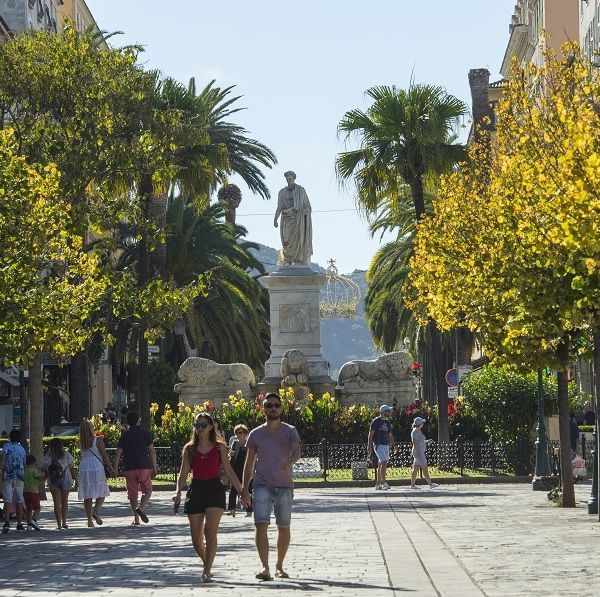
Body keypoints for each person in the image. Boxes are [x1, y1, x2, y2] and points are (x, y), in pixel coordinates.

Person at [172, 412, 242, 584]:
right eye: (197, 425)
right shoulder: (189, 448)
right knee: (196, 540)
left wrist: (242, 490)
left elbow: (228, 470)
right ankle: (207, 563)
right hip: (195, 489)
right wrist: (178, 492)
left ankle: (207, 571)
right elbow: (183, 472)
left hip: (214, 489)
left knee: (209, 531)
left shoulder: (220, 447)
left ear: (211, 427)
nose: (200, 428)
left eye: (203, 425)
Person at [241, 392, 302, 581]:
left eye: (276, 405)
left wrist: (290, 462)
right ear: (263, 409)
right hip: (261, 484)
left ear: (281, 409)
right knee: (261, 525)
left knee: (283, 526)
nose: (273, 408)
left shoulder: (290, 430)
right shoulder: (255, 433)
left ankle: (279, 566)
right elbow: (249, 463)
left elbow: (297, 451)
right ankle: (265, 567)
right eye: (269, 405)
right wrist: (244, 489)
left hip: (284, 485)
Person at [113, 411, 157, 526]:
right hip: (144, 466)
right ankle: (141, 508)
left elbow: (118, 453)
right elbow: (152, 451)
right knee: (147, 490)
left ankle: (136, 519)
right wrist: (155, 466)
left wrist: (115, 468)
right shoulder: (146, 434)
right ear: (138, 420)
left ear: (128, 422)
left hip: (129, 467)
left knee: (133, 494)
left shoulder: (125, 435)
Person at [78, 420, 116, 527]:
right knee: (102, 490)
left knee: (87, 494)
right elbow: (104, 455)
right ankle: (96, 511)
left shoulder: (80, 442)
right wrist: (111, 468)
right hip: (96, 466)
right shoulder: (97, 440)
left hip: (85, 466)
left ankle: (89, 520)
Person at [273, 171, 313, 266]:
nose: (288, 180)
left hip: (298, 220)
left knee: (298, 239)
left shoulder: (301, 190)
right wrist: (275, 219)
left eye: (290, 179)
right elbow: (279, 207)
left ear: (294, 179)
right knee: (286, 240)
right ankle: (288, 260)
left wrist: (305, 210)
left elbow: (307, 205)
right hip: (287, 218)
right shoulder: (282, 192)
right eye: (287, 179)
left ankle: (297, 260)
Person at [42, 437, 77, 529]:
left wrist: (42, 479)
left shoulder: (47, 457)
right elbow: (72, 467)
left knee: (56, 503)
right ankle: (64, 522)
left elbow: (45, 470)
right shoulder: (67, 455)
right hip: (66, 478)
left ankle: (58, 524)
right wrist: (77, 479)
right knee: (64, 501)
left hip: (53, 480)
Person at [1, 429, 26, 533]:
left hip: (8, 475)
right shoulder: (22, 449)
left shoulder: (7, 446)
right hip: (19, 476)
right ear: (19, 438)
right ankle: (19, 524)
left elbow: (2, 456)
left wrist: (2, 465)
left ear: (9, 437)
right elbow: (24, 463)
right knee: (19, 499)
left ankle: (7, 523)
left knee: (7, 499)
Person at [367, 405, 396, 490]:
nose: (389, 412)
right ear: (383, 412)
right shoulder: (376, 421)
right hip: (378, 444)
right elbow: (370, 434)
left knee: (381, 464)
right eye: (388, 411)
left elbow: (390, 435)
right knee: (384, 462)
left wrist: (394, 445)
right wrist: (369, 445)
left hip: (386, 444)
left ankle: (378, 484)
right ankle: (384, 483)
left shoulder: (387, 422)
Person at [227, 424, 252, 517]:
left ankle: (249, 510)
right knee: (233, 489)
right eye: (236, 433)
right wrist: (231, 454)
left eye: (240, 432)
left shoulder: (249, 443)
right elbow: (231, 455)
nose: (238, 434)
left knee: (248, 489)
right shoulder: (234, 443)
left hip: (246, 469)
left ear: (245, 433)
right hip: (236, 468)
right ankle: (231, 509)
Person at [410, 417, 438, 490]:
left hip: (418, 451)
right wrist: (418, 452)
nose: (423, 424)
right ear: (420, 424)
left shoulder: (418, 431)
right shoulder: (415, 431)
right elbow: (414, 442)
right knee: (425, 468)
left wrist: (427, 441)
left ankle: (413, 485)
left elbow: (420, 441)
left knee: (415, 468)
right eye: (422, 423)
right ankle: (430, 484)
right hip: (419, 452)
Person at [23, 454, 43, 531]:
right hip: (34, 492)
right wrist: (45, 475)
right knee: (37, 508)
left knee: (29, 509)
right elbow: (40, 479)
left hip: (25, 492)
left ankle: (28, 525)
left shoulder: (24, 471)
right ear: (34, 462)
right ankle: (33, 521)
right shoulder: (34, 470)